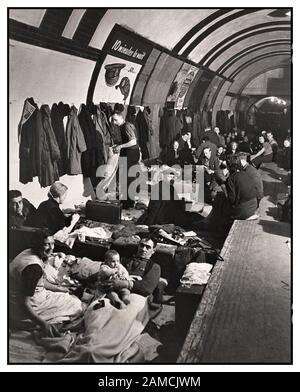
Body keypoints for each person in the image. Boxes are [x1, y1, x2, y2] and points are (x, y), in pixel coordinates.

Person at [9, 230, 84, 335]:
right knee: (76, 304)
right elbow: (24, 302)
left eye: (52, 243)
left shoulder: (28, 252)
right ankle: (33, 324)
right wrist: (42, 323)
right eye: (46, 244)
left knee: (67, 296)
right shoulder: (33, 267)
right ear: (37, 244)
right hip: (23, 308)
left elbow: (39, 283)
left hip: (17, 300)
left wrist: (60, 289)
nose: (52, 248)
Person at [102, 237, 162, 307]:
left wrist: (125, 284)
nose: (143, 249)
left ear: (153, 250)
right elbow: (109, 269)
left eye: (147, 247)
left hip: (136, 296)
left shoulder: (154, 267)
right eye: (141, 245)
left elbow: (147, 288)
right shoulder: (124, 259)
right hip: (115, 290)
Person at [111, 104, 140, 208]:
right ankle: (128, 201)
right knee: (127, 178)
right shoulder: (126, 125)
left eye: (115, 120)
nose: (114, 122)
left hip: (130, 153)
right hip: (131, 153)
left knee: (127, 178)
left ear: (121, 117)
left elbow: (133, 141)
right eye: (113, 120)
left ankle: (128, 202)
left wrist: (121, 146)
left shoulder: (126, 126)